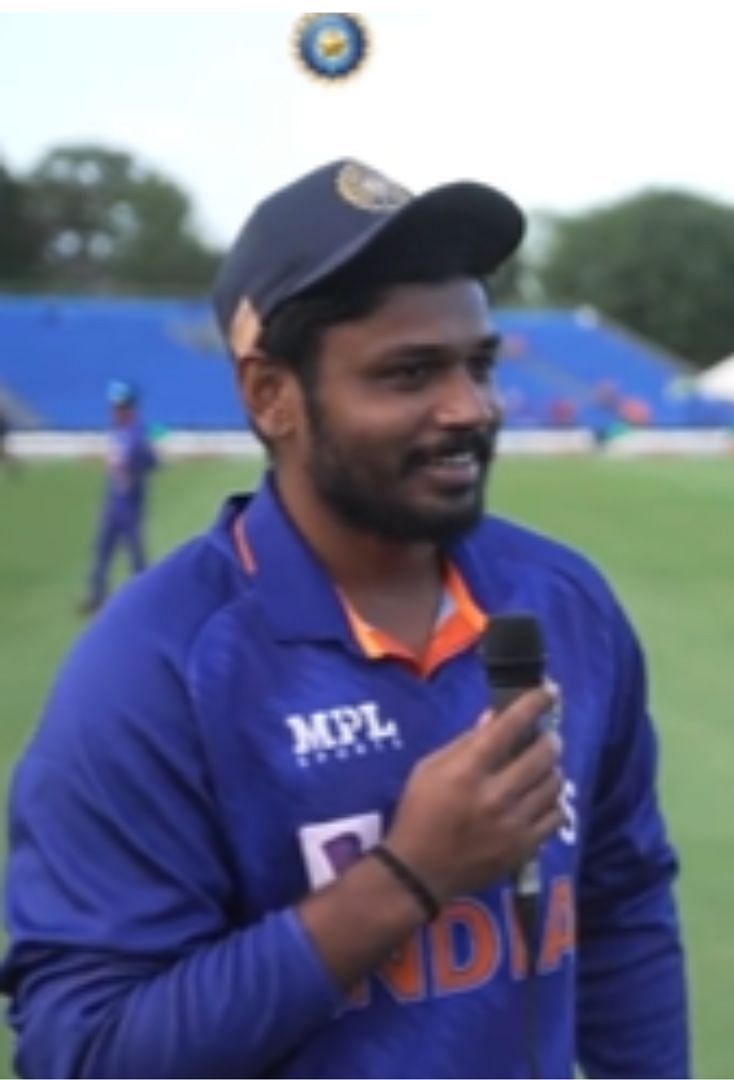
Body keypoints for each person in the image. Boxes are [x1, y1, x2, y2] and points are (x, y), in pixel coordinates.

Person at [1, 158, 690, 1078]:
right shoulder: (154, 671)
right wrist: (406, 877)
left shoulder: (563, 603)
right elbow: (83, 1054)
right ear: (270, 396)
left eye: (477, 365)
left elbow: (624, 906)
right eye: (409, 374)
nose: (470, 408)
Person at [78, 378, 160, 615]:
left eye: (118, 406)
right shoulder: (118, 432)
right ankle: (96, 593)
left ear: (128, 407)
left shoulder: (137, 433)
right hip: (115, 504)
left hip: (130, 506)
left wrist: (137, 467)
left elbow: (151, 463)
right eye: (113, 407)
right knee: (102, 551)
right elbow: (113, 475)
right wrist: (106, 503)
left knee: (136, 555)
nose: (114, 411)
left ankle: (145, 597)